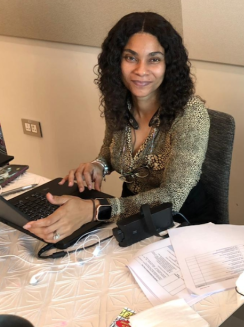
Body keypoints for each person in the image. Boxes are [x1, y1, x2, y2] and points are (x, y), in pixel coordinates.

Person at [23, 12, 211, 242]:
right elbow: (109, 152)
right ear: (116, 61)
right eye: (131, 58)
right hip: (131, 217)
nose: (141, 70)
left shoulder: (190, 114)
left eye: (154, 59)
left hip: (183, 223)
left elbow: (172, 197)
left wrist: (94, 209)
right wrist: (97, 166)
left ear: (169, 64)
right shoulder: (120, 102)